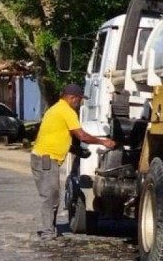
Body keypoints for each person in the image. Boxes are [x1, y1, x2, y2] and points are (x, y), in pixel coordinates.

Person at [31, 84, 115, 240]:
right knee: (50, 196)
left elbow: (56, 137)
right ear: (73, 98)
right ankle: (48, 232)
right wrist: (104, 142)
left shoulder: (57, 109)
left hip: (44, 157)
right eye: (79, 100)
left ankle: (50, 229)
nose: (80, 103)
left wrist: (77, 151)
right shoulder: (66, 111)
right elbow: (82, 136)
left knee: (52, 195)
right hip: (46, 159)